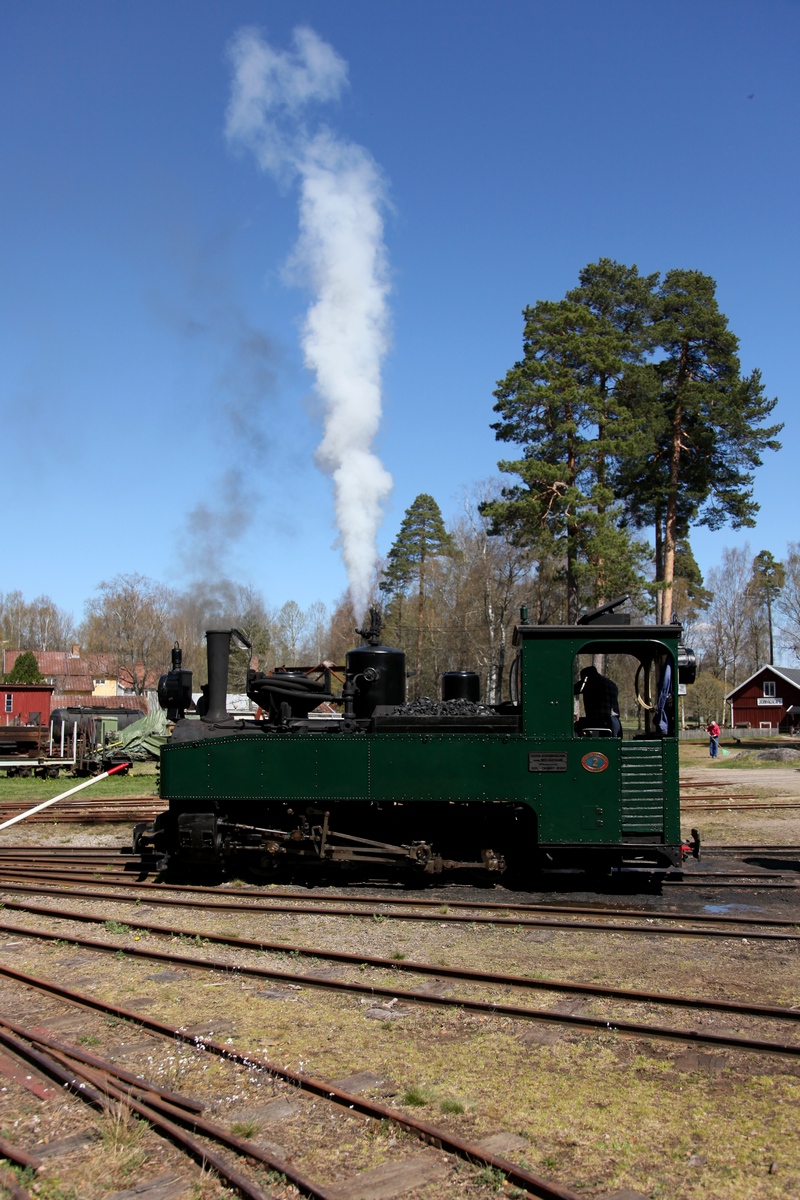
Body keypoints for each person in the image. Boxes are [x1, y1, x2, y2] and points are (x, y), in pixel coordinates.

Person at [574, 665, 621, 736]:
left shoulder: (591, 681)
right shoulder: (612, 684)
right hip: (616, 722)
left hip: (600, 723)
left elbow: (573, 689)